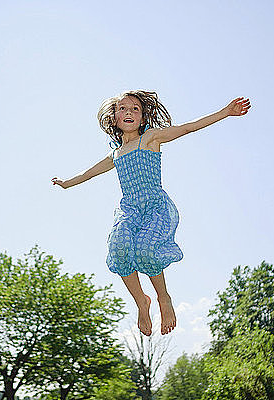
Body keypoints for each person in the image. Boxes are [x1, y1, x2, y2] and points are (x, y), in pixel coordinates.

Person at [52, 90, 251, 336]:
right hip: (130, 211)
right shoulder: (115, 154)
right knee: (119, 249)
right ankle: (141, 302)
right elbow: (87, 174)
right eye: (123, 108)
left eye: (135, 109)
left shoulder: (151, 138)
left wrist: (225, 112)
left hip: (154, 208)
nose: (129, 112)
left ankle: (163, 298)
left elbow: (187, 128)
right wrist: (65, 183)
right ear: (114, 117)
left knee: (146, 250)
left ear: (143, 118)